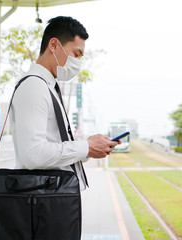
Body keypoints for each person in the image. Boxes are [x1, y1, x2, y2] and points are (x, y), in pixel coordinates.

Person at [10, 16, 119, 191]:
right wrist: (86, 146)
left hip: (50, 197)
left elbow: (52, 144)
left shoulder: (48, 86)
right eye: (76, 54)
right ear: (53, 45)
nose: (78, 62)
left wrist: (88, 148)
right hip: (42, 201)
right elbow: (33, 154)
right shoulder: (34, 86)